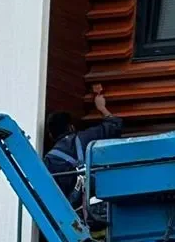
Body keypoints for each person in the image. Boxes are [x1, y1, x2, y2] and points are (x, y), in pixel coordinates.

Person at [43, 84, 123, 221]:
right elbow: (115, 126)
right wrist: (101, 108)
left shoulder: (49, 161)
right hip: (103, 208)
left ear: (51, 135)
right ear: (71, 127)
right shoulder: (87, 138)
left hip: (75, 219)